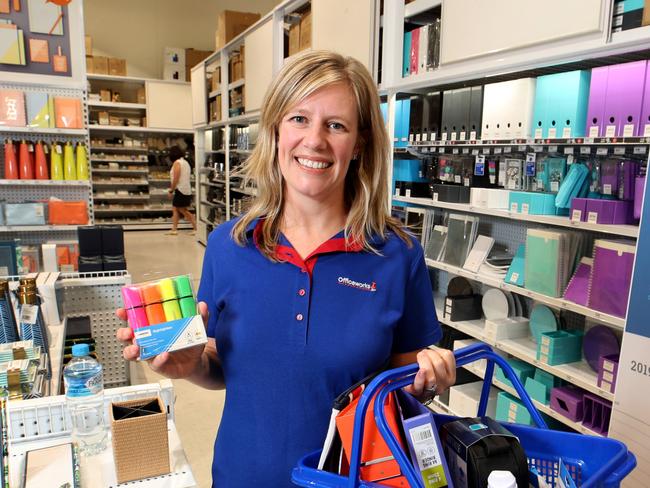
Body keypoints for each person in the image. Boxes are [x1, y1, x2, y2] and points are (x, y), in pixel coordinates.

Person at [117, 50, 456, 487]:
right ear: (276, 130)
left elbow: (407, 378)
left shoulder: (396, 254)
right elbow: (222, 362)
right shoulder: (229, 244)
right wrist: (191, 364)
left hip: (351, 480)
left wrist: (428, 382)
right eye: (299, 118)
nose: (314, 140)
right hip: (242, 476)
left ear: (360, 145)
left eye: (336, 125)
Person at [166, 145, 196, 235]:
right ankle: (174, 229)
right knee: (175, 209)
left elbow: (176, 178)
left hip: (180, 189)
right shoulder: (185, 162)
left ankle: (196, 228)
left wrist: (171, 190)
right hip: (185, 189)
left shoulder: (177, 163)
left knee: (183, 210)